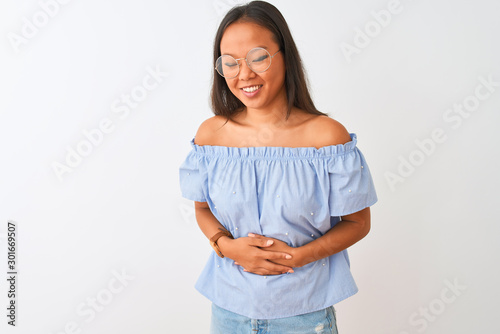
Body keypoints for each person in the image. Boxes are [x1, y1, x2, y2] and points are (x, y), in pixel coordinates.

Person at [179, 1, 378, 333]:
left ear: (286, 55)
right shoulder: (211, 135)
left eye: (258, 57)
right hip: (229, 312)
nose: (244, 75)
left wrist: (297, 258)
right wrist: (228, 247)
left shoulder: (327, 137)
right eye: (230, 63)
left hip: (304, 315)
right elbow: (202, 209)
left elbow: (358, 223)